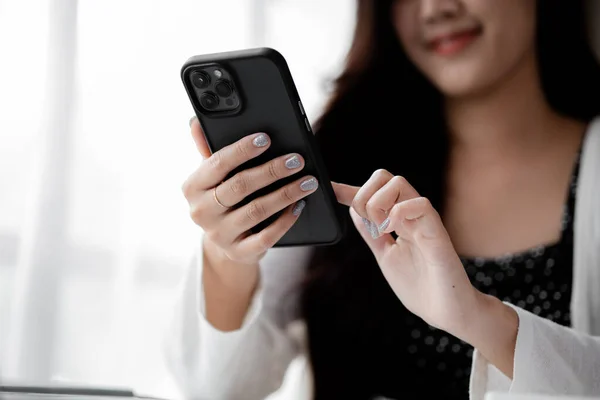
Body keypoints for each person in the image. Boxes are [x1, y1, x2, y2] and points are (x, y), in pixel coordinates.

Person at [163, 1, 600, 399]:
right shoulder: (336, 157)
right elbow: (218, 389)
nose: (435, 9)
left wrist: (477, 317)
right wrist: (228, 254)